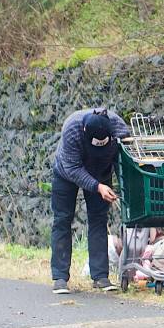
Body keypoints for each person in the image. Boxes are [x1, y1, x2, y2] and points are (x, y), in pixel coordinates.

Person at [50, 107, 130, 294]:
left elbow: (125, 154)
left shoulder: (118, 127)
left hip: (101, 172)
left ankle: (100, 277)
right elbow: (72, 168)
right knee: (62, 219)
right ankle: (60, 277)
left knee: (99, 220)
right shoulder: (72, 129)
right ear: (85, 131)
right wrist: (98, 187)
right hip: (67, 173)